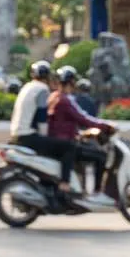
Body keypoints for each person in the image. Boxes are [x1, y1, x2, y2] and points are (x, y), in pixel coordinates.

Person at [47, 66, 115, 199]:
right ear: (71, 83)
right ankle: (96, 193)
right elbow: (83, 118)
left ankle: (83, 189)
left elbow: (70, 121)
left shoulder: (54, 97)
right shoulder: (65, 100)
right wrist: (106, 126)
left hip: (61, 139)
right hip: (66, 142)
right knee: (101, 156)